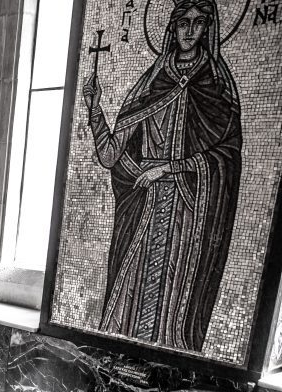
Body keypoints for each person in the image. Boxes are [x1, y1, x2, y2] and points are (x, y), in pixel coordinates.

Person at [81, 0, 241, 352]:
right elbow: (110, 155)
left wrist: (169, 168)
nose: (190, 30)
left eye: (199, 23)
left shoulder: (216, 88)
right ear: (171, 26)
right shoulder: (152, 84)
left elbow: (226, 156)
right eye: (184, 21)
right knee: (127, 300)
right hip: (145, 204)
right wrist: (95, 109)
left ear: (208, 29)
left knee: (174, 298)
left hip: (188, 207)